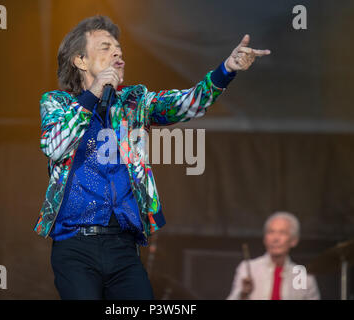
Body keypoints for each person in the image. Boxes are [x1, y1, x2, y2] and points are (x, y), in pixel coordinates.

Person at [33, 15, 271, 300]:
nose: (117, 52)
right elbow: (55, 146)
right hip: (75, 246)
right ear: (80, 61)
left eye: (118, 48)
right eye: (105, 47)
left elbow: (188, 104)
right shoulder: (56, 103)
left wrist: (226, 70)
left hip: (123, 247)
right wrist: (94, 94)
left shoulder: (136, 101)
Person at [227, 212, 320, 300]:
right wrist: (243, 294)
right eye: (271, 232)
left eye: (282, 233)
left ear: (294, 240)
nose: (275, 238)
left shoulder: (302, 275)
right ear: (265, 239)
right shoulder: (249, 268)